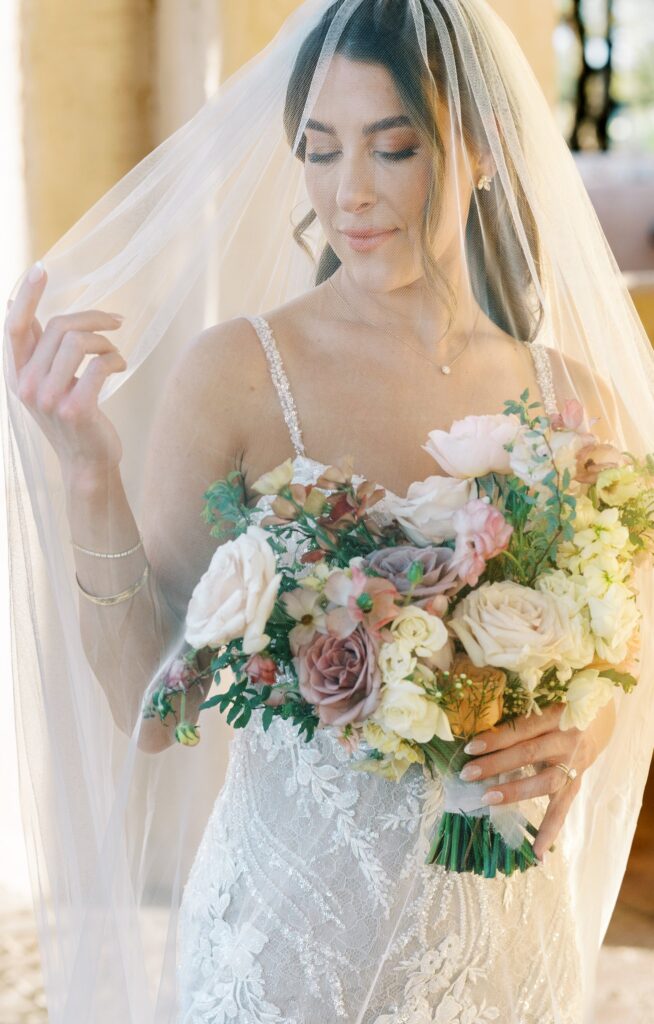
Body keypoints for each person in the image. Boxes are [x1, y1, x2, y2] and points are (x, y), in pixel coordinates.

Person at [2, 1, 653, 1021]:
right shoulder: (240, 376)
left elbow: (608, 666)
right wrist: (89, 473)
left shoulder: (569, 404)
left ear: (480, 150)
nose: (350, 193)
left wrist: (579, 732)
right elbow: (152, 704)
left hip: (498, 944)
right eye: (320, 149)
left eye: (392, 149)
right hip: (286, 945)